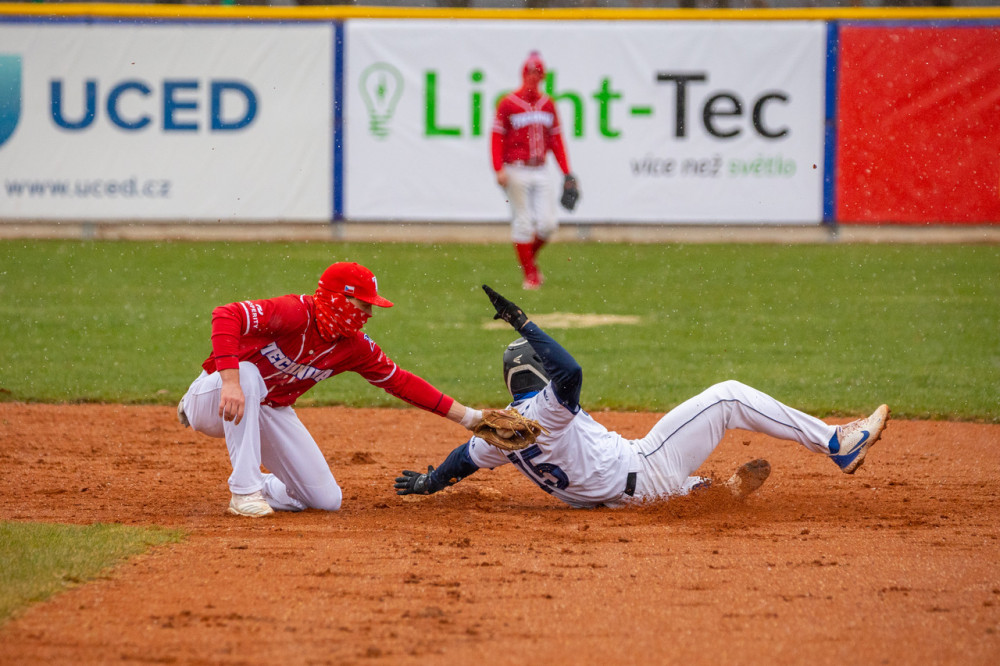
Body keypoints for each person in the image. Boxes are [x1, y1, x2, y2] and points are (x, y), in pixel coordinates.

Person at [394, 285, 890, 508]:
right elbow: (570, 371)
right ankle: (834, 442)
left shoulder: (498, 435)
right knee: (728, 396)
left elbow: (466, 456)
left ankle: (713, 496)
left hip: (618, 500)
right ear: (536, 371)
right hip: (644, 468)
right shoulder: (545, 409)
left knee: (668, 481)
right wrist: (524, 322)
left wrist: (430, 483)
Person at [177, 262, 490, 518]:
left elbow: (401, 382)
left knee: (324, 500)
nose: (369, 314)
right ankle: (243, 490)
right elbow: (226, 314)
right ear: (339, 298)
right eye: (363, 304)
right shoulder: (296, 311)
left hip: (267, 408)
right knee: (247, 373)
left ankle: (262, 485)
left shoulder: (353, 347)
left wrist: (473, 419)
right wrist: (229, 381)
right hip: (216, 398)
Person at [491, 50, 578, 291]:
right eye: (530, 73)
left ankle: (529, 260)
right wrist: (498, 168)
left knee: (548, 224)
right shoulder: (509, 103)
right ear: (523, 74)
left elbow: (557, 141)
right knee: (523, 222)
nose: (533, 77)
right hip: (516, 168)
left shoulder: (547, 104)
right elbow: (497, 137)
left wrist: (566, 172)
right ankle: (530, 274)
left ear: (543, 76)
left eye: (537, 73)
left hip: (540, 167)